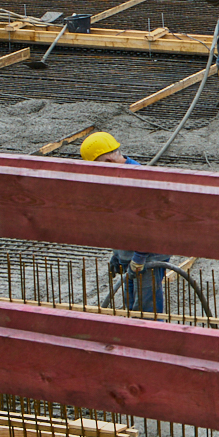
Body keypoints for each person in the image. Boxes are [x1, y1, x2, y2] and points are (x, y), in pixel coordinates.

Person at [79, 131, 170, 314]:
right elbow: (121, 222)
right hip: (133, 256)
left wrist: (139, 256)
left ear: (108, 163)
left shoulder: (137, 179)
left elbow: (149, 223)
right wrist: (118, 254)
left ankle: (148, 341)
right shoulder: (115, 177)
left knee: (145, 311)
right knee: (131, 307)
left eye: (96, 168)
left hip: (149, 255)